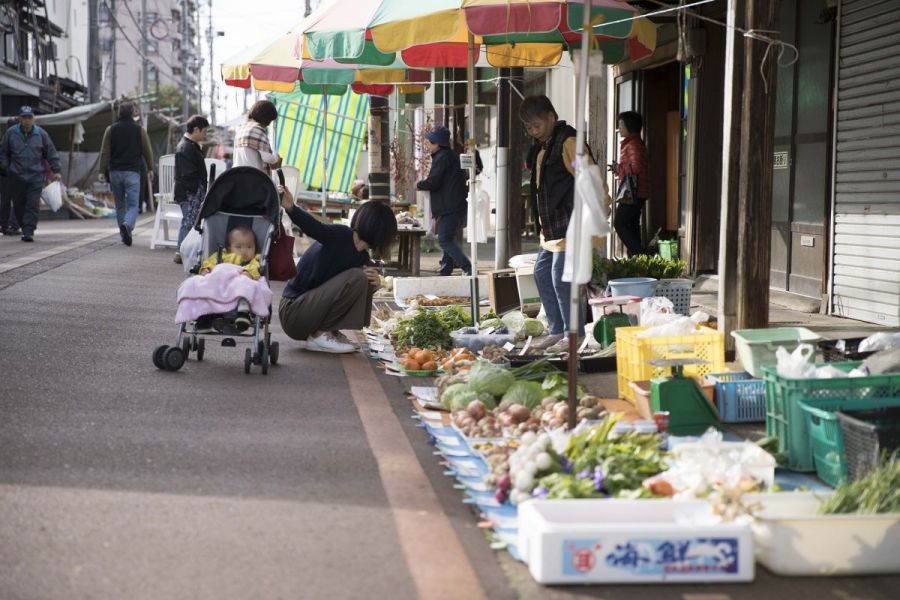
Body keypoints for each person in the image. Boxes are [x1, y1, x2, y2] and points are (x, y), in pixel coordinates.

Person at [278, 188, 397, 354]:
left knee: (366, 279)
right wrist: (291, 208)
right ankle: (320, 336)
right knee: (358, 276)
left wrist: (375, 284)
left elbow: (354, 290)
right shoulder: (341, 235)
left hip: (308, 312)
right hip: (293, 311)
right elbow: (314, 228)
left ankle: (328, 331)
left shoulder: (362, 257)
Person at [519, 95, 593, 351]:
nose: (533, 131)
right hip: (551, 229)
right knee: (541, 274)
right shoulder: (544, 147)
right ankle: (558, 329)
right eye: (528, 128)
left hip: (572, 223)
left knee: (561, 278)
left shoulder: (569, 142)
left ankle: (575, 335)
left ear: (551, 116)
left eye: (536, 125)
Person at [175, 224, 270, 333]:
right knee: (193, 283)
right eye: (238, 247)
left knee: (247, 284)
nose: (244, 251)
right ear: (229, 247)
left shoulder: (254, 260)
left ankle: (243, 312)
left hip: (237, 283)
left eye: (249, 247)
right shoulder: (221, 255)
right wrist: (205, 270)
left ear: (255, 247)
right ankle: (204, 316)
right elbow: (209, 264)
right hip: (217, 283)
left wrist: (247, 273)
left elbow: (254, 268)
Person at [416, 126, 471, 276]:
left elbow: (434, 182)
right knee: (448, 237)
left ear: (437, 143)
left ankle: (468, 267)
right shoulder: (451, 156)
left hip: (450, 206)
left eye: (429, 143)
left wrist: (419, 184)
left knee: (444, 240)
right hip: (455, 205)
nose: (427, 145)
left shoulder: (442, 157)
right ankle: (446, 270)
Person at [0, 106, 62, 242]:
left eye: (29, 117)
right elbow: (3, 152)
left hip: (35, 177)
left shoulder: (41, 134)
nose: (27, 120)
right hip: (16, 176)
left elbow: (51, 152)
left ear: (34, 118)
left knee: (32, 204)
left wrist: (56, 170)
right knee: (19, 205)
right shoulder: (11, 133)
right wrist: (5, 167)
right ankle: (24, 225)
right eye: (24, 117)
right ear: (19, 119)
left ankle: (28, 231)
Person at [98, 102, 154, 246]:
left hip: (115, 172)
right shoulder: (139, 130)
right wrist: (150, 168)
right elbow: (147, 150)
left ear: (118, 113)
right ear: (133, 113)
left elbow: (105, 152)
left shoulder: (110, 130)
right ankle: (128, 225)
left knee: (120, 204)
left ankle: (124, 233)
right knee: (134, 204)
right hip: (132, 172)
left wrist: (101, 171)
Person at [173, 114, 210, 264]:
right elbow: (188, 173)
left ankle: (183, 251)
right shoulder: (186, 147)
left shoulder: (190, 145)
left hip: (192, 192)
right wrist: (197, 189)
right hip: (189, 192)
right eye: (204, 131)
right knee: (188, 222)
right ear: (196, 129)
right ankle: (180, 252)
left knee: (190, 221)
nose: (205, 134)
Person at [613, 110, 650, 256]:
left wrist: (618, 168)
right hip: (637, 191)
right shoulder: (633, 142)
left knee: (620, 223)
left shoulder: (633, 143)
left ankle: (641, 255)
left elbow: (635, 168)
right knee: (632, 225)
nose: (619, 127)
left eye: (621, 124)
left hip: (633, 193)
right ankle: (637, 260)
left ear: (630, 126)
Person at [233, 100, 281, 173]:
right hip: (254, 178)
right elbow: (267, 158)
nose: (268, 124)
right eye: (270, 120)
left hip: (237, 176)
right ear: (265, 118)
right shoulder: (258, 131)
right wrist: (276, 159)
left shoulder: (241, 130)